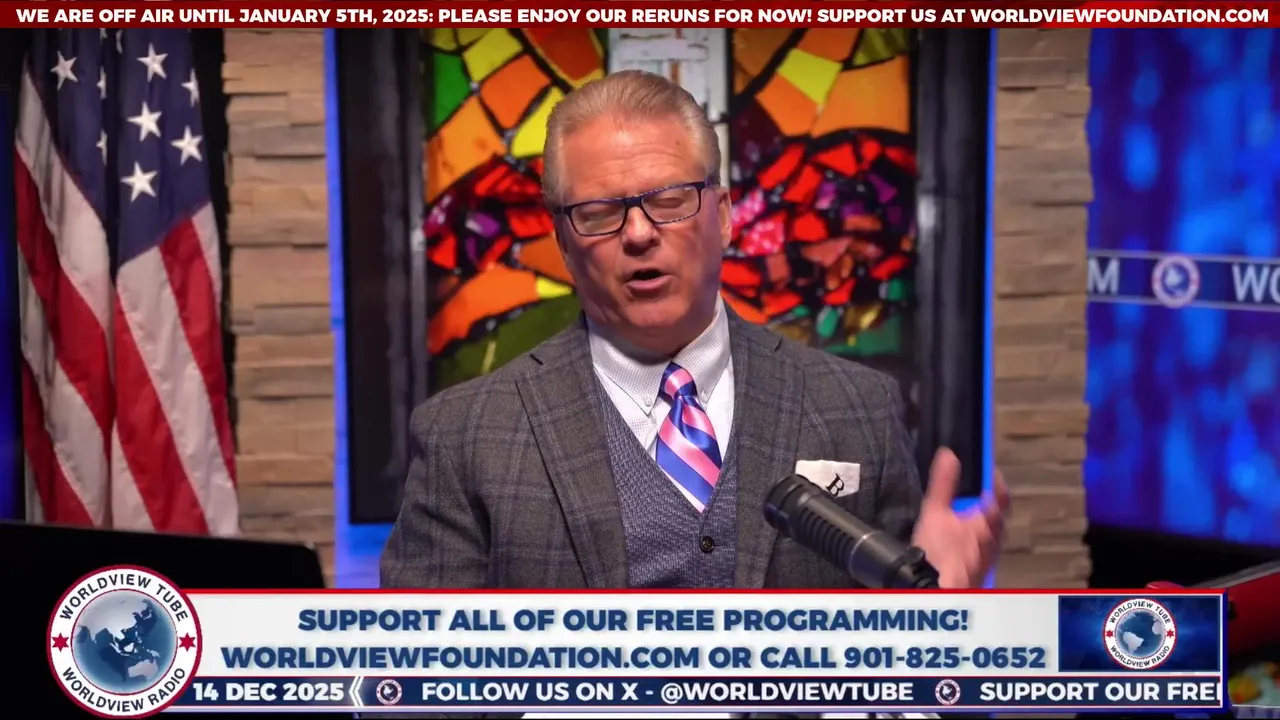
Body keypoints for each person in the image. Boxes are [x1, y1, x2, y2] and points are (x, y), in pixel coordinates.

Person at [381, 70, 1009, 591]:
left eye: (670, 199)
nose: (638, 233)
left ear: (725, 216)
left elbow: (904, 676)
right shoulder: (465, 435)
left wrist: (945, 619)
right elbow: (414, 681)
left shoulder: (856, 406)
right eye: (598, 212)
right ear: (564, 244)